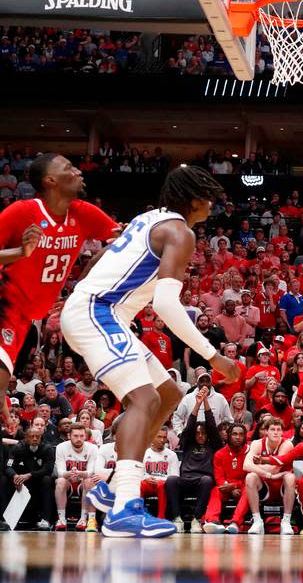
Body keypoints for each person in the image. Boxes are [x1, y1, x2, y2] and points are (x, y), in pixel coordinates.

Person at [62, 165, 236, 538]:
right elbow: (167, 304)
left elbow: (102, 257)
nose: (212, 203)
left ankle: (112, 484)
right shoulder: (180, 231)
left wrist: (79, 293)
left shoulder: (150, 219)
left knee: (168, 393)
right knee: (143, 398)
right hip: (99, 312)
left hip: (100, 310)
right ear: (193, 199)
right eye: (207, 195)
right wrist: (213, 355)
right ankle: (126, 507)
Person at [0, 153, 119, 423]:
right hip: (9, 298)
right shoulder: (22, 212)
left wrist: (83, 286)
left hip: (43, 310)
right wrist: (21, 251)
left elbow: (122, 241)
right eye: (69, 167)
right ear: (50, 180)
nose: (77, 171)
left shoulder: (83, 212)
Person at [243, 416, 297, 535]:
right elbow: (246, 465)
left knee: (290, 477)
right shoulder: (257, 443)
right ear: (266, 431)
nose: (276, 432)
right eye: (273, 429)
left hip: (283, 487)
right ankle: (257, 521)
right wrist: (269, 475)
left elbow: (275, 466)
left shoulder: (287, 444)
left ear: (282, 432)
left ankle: (286, 521)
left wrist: (258, 467)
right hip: (265, 487)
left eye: (279, 430)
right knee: (250, 477)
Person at [202, 423, 250, 535]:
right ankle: (213, 521)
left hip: (243, 486)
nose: (238, 437)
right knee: (215, 490)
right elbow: (219, 478)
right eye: (234, 434)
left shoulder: (250, 452)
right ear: (228, 436)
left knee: (249, 490)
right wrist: (229, 488)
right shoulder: (219, 454)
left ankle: (235, 523)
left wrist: (234, 486)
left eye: (241, 435)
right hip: (226, 486)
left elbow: (250, 477)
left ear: (245, 437)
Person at [53, 424, 100, 532]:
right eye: (75, 436)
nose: (79, 439)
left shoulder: (93, 448)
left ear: (85, 436)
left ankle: (84, 519)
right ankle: (61, 519)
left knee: (89, 480)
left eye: (81, 436)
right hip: (68, 482)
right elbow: (59, 472)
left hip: (83, 484)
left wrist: (80, 473)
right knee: (60, 481)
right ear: (69, 435)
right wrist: (68, 473)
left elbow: (92, 471)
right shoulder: (61, 447)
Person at [5, 427, 54, 529]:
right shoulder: (18, 448)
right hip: (20, 480)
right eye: (32, 436)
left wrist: (30, 475)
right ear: (26, 438)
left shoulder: (47, 449)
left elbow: (48, 469)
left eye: (38, 437)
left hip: (38, 479)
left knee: (47, 480)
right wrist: (14, 476)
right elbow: (8, 466)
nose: (35, 439)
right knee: (5, 480)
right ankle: (6, 519)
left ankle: (46, 519)